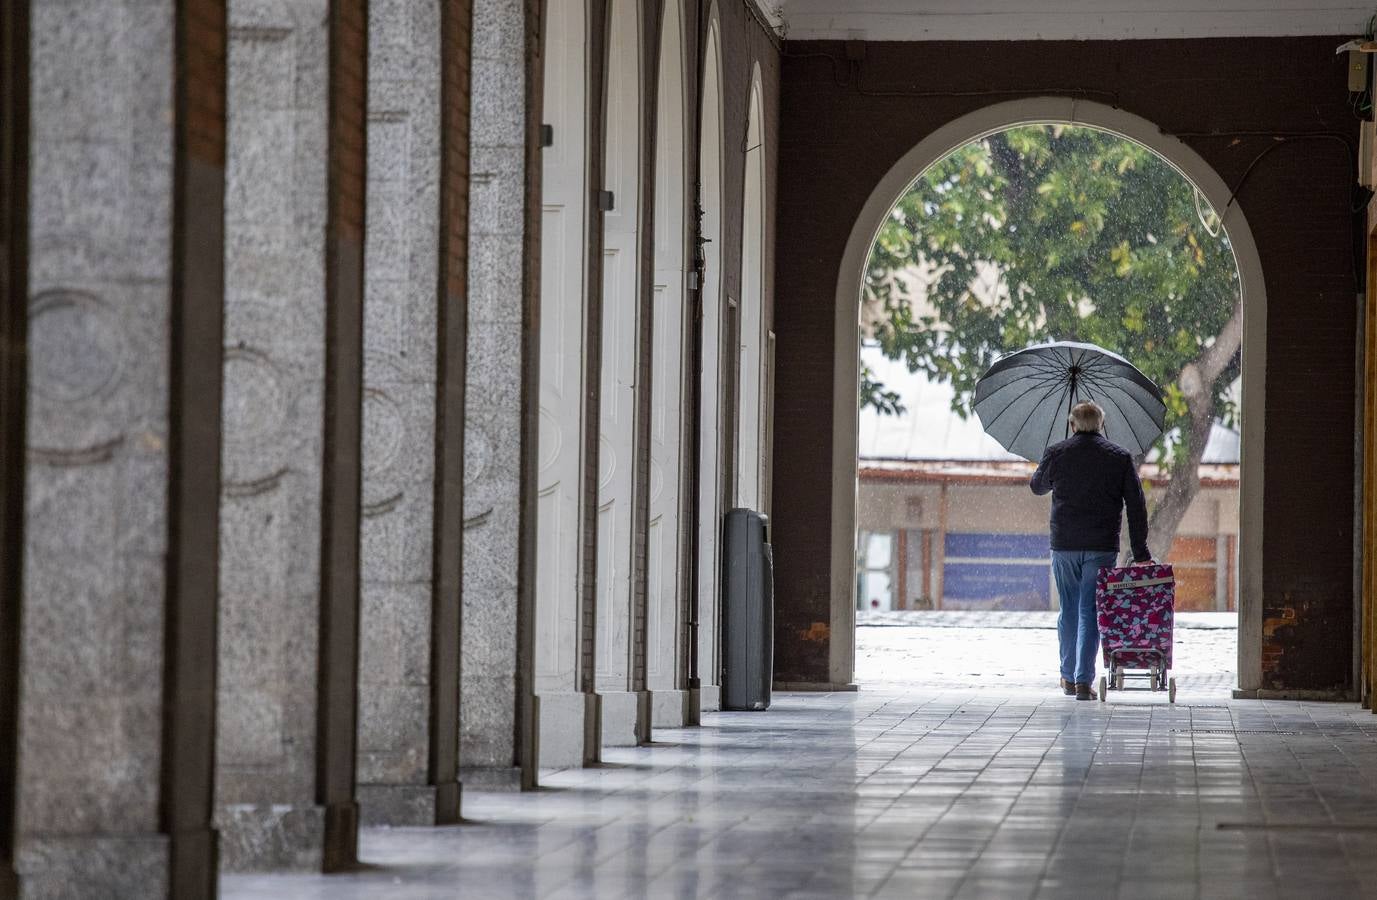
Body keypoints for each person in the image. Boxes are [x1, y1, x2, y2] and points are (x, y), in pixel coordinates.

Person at [1030, 401, 1152, 701]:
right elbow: (1136, 505)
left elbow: (1037, 486)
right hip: (1101, 546)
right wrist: (1141, 553)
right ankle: (1085, 681)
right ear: (1101, 425)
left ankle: (1067, 676)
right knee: (1091, 612)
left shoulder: (1057, 452)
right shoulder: (1120, 457)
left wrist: (1055, 460)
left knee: (1068, 611)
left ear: (1073, 425)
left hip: (1065, 545)